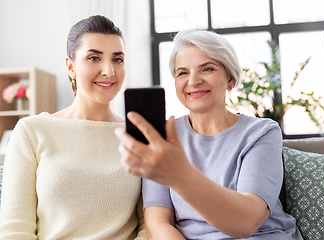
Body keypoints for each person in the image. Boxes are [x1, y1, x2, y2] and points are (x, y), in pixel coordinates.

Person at [116, 30, 303, 239]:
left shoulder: (261, 133)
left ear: (230, 79)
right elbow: (157, 223)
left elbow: (246, 223)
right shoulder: (162, 137)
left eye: (207, 69)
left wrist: (178, 174)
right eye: (182, 73)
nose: (193, 81)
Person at [0, 15, 146, 240]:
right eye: (94, 58)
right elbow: (15, 231)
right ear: (71, 66)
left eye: (117, 59)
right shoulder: (32, 131)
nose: (109, 70)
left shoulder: (137, 134)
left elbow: (149, 224)